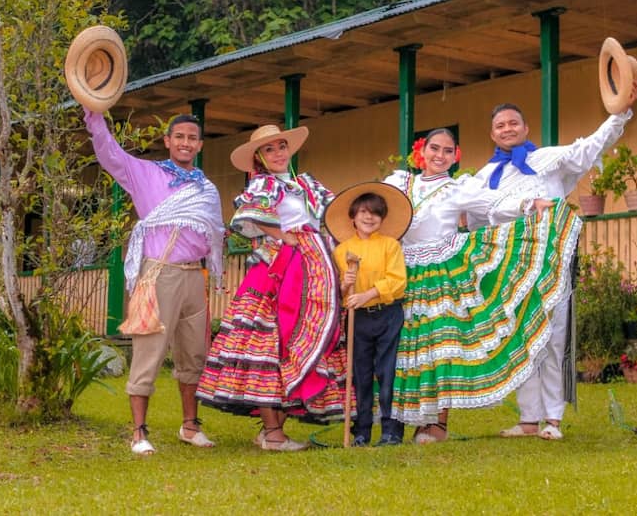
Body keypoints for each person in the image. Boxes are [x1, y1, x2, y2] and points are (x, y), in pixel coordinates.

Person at [384, 128, 580, 444]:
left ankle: (437, 423)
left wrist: (530, 203)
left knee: (440, 347)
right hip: (402, 271)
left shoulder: (457, 188)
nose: (440, 155)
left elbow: (494, 203)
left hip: (440, 274)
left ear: (455, 157)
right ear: (422, 151)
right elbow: (376, 208)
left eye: (448, 151)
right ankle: (402, 420)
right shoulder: (399, 184)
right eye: (435, 148)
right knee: (408, 348)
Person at [470, 86, 637, 441]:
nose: (507, 129)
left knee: (554, 337)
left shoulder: (548, 159)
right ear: (492, 134)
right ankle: (528, 420)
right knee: (523, 340)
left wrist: (619, 114)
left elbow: (590, 147)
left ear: (526, 128)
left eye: (513, 123)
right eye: (500, 125)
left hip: (551, 261)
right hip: (511, 267)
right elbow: (476, 217)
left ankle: (553, 419)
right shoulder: (484, 178)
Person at [196, 124, 347, 451]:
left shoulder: (305, 184)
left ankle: (274, 430)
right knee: (268, 343)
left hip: (312, 268)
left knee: (295, 341)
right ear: (259, 158)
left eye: (281, 146)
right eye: (270, 149)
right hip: (277, 268)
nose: (278, 153)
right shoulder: (263, 184)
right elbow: (250, 215)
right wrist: (283, 236)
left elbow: (335, 213)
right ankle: (273, 432)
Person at [84, 109, 225, 456]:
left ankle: (190, 426)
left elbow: (215, 231)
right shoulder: (146, 173)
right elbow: (110, 154)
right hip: (160, 273)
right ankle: (138, 432)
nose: (185, 143)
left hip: (195, 276)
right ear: (168, 141)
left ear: (200, 145)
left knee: (194, 353)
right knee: (150, 350)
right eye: (179, 137)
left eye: (192, 138)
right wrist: (94, 117)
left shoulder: (207, 188)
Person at [326, 183, 411, 447]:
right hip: (358, 319)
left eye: (375, 213)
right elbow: (336, 290)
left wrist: (368, 294)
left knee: (387, 372)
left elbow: (397, 281)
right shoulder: (342, 250)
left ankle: (390, 430)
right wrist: (345, 285)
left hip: (387, 314)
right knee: (360, 374)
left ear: (382, 218)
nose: (369, 217)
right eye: (363, 212)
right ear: (353, 216)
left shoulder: (390, 246)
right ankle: (361, 431)